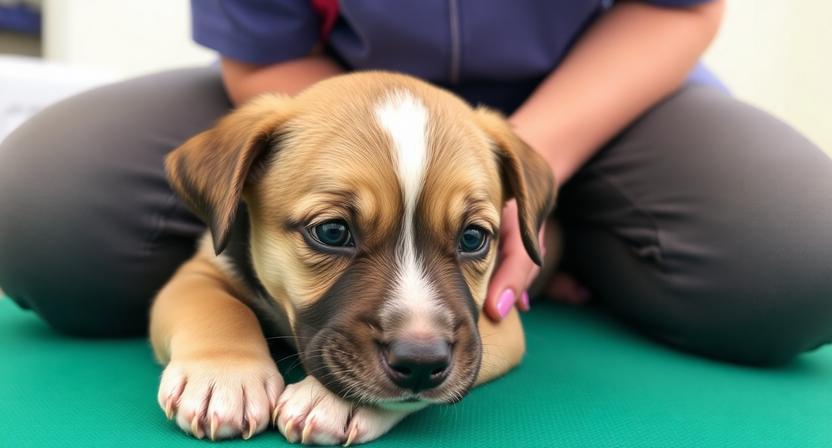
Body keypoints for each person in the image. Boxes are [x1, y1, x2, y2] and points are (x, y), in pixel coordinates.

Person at [1, 0, 830, 366]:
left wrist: (500, 180)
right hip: (329, 90)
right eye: (332, 232)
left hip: (597, 101)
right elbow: (263, 48)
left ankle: (553, 240)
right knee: (37, 211)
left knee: (802, 258)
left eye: (470, 238)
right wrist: (332, 159)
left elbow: (679, 5)